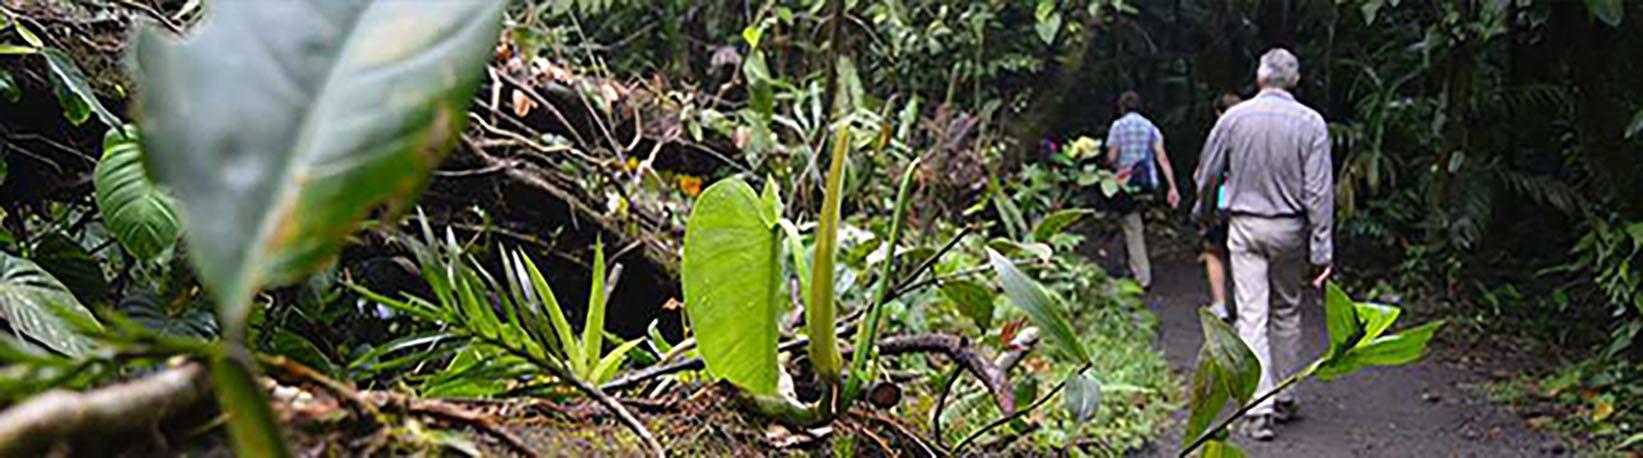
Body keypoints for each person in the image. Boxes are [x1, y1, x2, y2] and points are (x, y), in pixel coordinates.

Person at [1192, 48, 1334, 441]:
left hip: (1246, 227)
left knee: (1252, 313)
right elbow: (1320, 192)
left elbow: (1208, 174)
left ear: (1259, 78)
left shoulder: (1235, 118)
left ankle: (1259, 408)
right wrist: (1322, 250)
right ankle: (1284, 394)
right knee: (1287, 310)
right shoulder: (1311, 123)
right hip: (1291, 229)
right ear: (1294, 81)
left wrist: (1203, 215)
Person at [1105, 90, 1181, 290]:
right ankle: (1126, 267)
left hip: (1123, 184)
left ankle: (1142, 277)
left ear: (1121, 107)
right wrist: (1172, 187)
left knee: (1131, 226)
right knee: (1130, 223)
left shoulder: (1118, 126)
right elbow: (1161, 158)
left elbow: (1112, 158)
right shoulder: (1150, 127)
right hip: (1147, 184)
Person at [1198, 93, 1244, 322]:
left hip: (1221, 204)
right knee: (1242, 255)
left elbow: (1206, 173)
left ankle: (1220, 303)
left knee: (1214, 251)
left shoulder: (1219, 134)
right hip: (1247, 206)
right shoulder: (1250, 132)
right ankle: (1244, 305)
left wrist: (1202, 209)